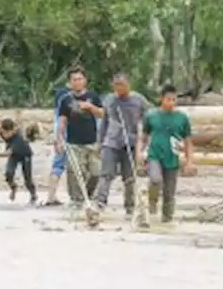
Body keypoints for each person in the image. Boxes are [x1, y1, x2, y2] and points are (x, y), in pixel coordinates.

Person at [89, 72, 149, 220]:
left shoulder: (139, 100)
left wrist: (144, 143)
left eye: (121, 84)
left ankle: (129, 207)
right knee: (106, 174)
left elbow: (147, 121)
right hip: (111, 141)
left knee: (129, 178)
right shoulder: (110, 100)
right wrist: (100, 142)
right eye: (116, 85)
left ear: (128, 84)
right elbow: (104, 122)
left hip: (131, 142)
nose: (118, 88)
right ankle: (100, 204)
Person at [136, 84, 193, 226]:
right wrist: (139, 152)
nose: (171, 103)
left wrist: (189, 161)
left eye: (174, 100)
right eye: (168, 99)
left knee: (169, 193)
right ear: (161, 99)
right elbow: (143, 137)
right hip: (154, 155)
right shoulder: (151, 116)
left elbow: (188, 141)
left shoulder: (182, 118)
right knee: (155, 180)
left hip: (172, 157)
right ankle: (152, 202)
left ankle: (167, 220)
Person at [55, 66, 103, 207]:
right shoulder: (65, 100)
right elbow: (62, 121)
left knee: (96, 172)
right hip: (73, 142)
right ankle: (76, 200)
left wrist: (90, 107)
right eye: (74, 80)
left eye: (80, 79)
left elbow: (102, 114)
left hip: (92, 141)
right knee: (75, 172)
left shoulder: (93, 96)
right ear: (70, 82)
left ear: (85, 80)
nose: (77, 82)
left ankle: (87, 195)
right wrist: (59, 140)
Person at [42, 79, 73, 206]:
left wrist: (57, 139)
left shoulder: (59, 109)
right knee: (63, 167)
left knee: (58, 166)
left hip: (63, 138)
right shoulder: (68, 103)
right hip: (69, 138)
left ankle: (51, 196)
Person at [0, 118, 38, 204]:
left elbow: (7, 153)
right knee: (9, 173)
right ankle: (13, 187)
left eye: (8, 133)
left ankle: (33, 194)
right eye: (4, 132)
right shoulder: (2, 132)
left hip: (25, 154)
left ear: (13, 131)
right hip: (14, 154)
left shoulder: (18, 137)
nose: (5, 135)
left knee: (27, 179)